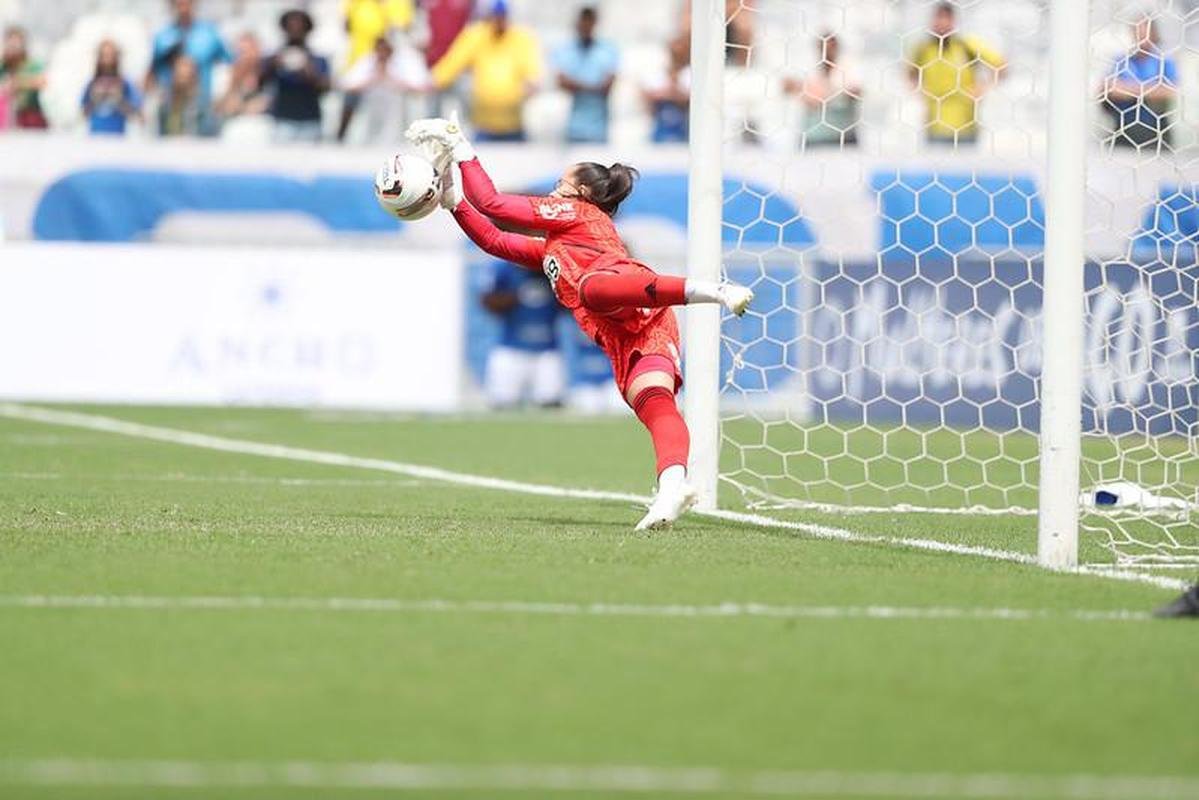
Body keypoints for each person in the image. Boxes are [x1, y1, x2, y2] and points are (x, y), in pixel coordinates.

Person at [408, 115, 754, 530]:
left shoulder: (575, 212)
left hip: (629, 300)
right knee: (654, 404)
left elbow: (496, 205)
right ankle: (671, 490)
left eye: (562, 180)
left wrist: (461, 147)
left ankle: (714, 291)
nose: (555, 187)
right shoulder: (556, 247)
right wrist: (454, 203)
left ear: (583, 192)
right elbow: (494, 238)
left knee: (592, 289)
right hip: (623, 333)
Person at [430, 0, 542, 142]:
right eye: (495, 16)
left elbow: (531, 68)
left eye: (502, 16)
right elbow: (453, 63)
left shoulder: (521, 38)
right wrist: (434, 80)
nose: (499, 21)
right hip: (483, 124)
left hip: (514, 124)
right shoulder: (476, 36)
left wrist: (532, 83)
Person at [907, 1, 1005, 146]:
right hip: (934, 126)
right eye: (938, 18)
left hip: (966, 127)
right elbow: (910, 73)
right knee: (935, 166)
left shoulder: (966, 45)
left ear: (954, 21)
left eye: (946, 18)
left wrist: (982, 88)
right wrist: (920, 92)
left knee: (967, 167)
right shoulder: (923, 48)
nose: (942, 23)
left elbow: (1001, 65)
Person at [480, 260, 565, 409]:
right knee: (502, 405)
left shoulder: (555, 267)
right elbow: (488, 301)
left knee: (551, 404)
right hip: (511, 348)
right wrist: (514, 298)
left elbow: (570, 303)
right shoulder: (504, 268)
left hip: (547, 351)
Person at [1101, 16, 1178, 151]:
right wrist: (1148, 90)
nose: (1140, 36)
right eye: (1136, 32)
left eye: (1144, 32)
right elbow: (1107, 88)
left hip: (1156, 133)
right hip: (1123, 131)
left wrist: (1129, 90)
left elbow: (1168, 92)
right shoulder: (1122, 60)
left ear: (1154, 33)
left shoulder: (1164, 61)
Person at [338, 35, 429, 143]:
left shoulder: (406, 60)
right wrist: (373, 79)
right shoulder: (367, 61)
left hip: (398, 107)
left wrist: (392, 79)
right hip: (370, 107)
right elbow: (346, 85)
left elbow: (423, 86)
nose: (382, 54)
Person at [261, 10, 331, 143]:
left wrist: (309, 72)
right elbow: (259, 83)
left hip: (310, 122)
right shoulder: (274, 58)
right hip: (282, 122)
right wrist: (273, 65)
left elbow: (326, 89)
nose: (295, 31)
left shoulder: (318, 59)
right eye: (291, 27)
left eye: (300, 27)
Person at [147, 0, 230, 109]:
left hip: (203, 105)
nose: (183, 5)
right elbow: (152, 73)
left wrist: (223, 99)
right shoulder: (162, 36)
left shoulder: (209, 33)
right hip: (171, 105)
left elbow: (228, 64)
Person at [553, 6, 618, 144]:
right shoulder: (566, 49)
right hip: (573, 128)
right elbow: (562, 82)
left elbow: (607, 86)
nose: (586, 25)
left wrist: (578, 85)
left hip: (599, 128)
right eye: (584, 21)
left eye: (589, 21)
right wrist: (593, 87)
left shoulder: (607, 50)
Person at [784, 32, 861, 148]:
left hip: (843, 137)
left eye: (831, 47)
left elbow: (855, 91)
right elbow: (790, 87)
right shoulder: (809, 68)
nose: (827, 51)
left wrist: (821, 93)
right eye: (823, 47)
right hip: (814, 138)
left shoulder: (849, 68)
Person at [421, 0, 473, 116]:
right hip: (435, 64)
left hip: (460, 66)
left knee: (466, 114)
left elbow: (475, 25)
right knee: (432, 116)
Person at [81, 40, 141, 135]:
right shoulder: (91, 83)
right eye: (104, 55)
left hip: (118, 138)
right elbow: (83, 113)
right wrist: (96, 100)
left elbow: (136, 113)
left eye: (111, 55)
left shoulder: (125, 83)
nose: (107, 59)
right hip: (95, 137)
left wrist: (119, 100)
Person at [640, 34, 689, 144]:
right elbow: (647, 97)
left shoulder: (690, 74)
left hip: (684, 133)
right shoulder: (656, 74)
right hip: (659, 132)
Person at [0, 26, 47, 129]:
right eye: (11, 43)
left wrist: (20, 83)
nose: (14, 46)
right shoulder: (3, 65)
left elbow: (43, 82)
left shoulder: (32, 64)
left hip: (30, 114)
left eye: (17, 43)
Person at [215, 33, 270, 120]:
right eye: (241, 52)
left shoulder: (269, 73)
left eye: (249, 50)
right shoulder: (226, 74)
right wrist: (233, 85)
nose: (246, 57)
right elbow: (218, 108)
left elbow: (266, 103)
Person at [158, 51, 209, 136]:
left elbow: (206, 133)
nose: (182, 73)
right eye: (179, 72)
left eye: (186, 72)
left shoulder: (202, 104)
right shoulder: (165, 102)